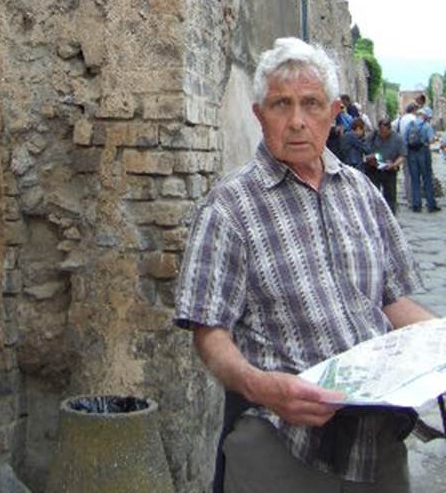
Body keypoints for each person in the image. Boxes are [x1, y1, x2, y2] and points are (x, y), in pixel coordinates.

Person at [175, 37, 435, 493]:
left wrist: (439, 345)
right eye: (281, 104)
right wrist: (261, 387)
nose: (296, 120)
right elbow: (209, 333)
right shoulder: (228, 208)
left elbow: (394, 302)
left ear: (333, 113)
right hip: (279, 446)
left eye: (311, 103)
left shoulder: (362, 194)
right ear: (260, 115)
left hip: (377, 446)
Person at [365, 118, 406, 214]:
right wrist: (369, 158)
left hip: (389, 170)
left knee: (390, 196)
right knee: (373, 193)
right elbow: (365, 149)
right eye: (380, 131)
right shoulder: (373, 136)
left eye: (384, 132)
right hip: (374, 169)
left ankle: (391, 215)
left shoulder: (398, 139)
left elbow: (402, 155)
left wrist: (394, 164)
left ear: (389, 129)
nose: (382, 134)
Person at [406, 106, 440, 213]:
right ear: (424, 116)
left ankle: (416, 204)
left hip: (411, 154)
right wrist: (436, 138)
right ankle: (431, 204)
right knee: (427, 179)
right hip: (423, 153)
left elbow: (405, 140)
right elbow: (431, 140)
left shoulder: (409, 126)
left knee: (415, 180)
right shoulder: (427, 126)